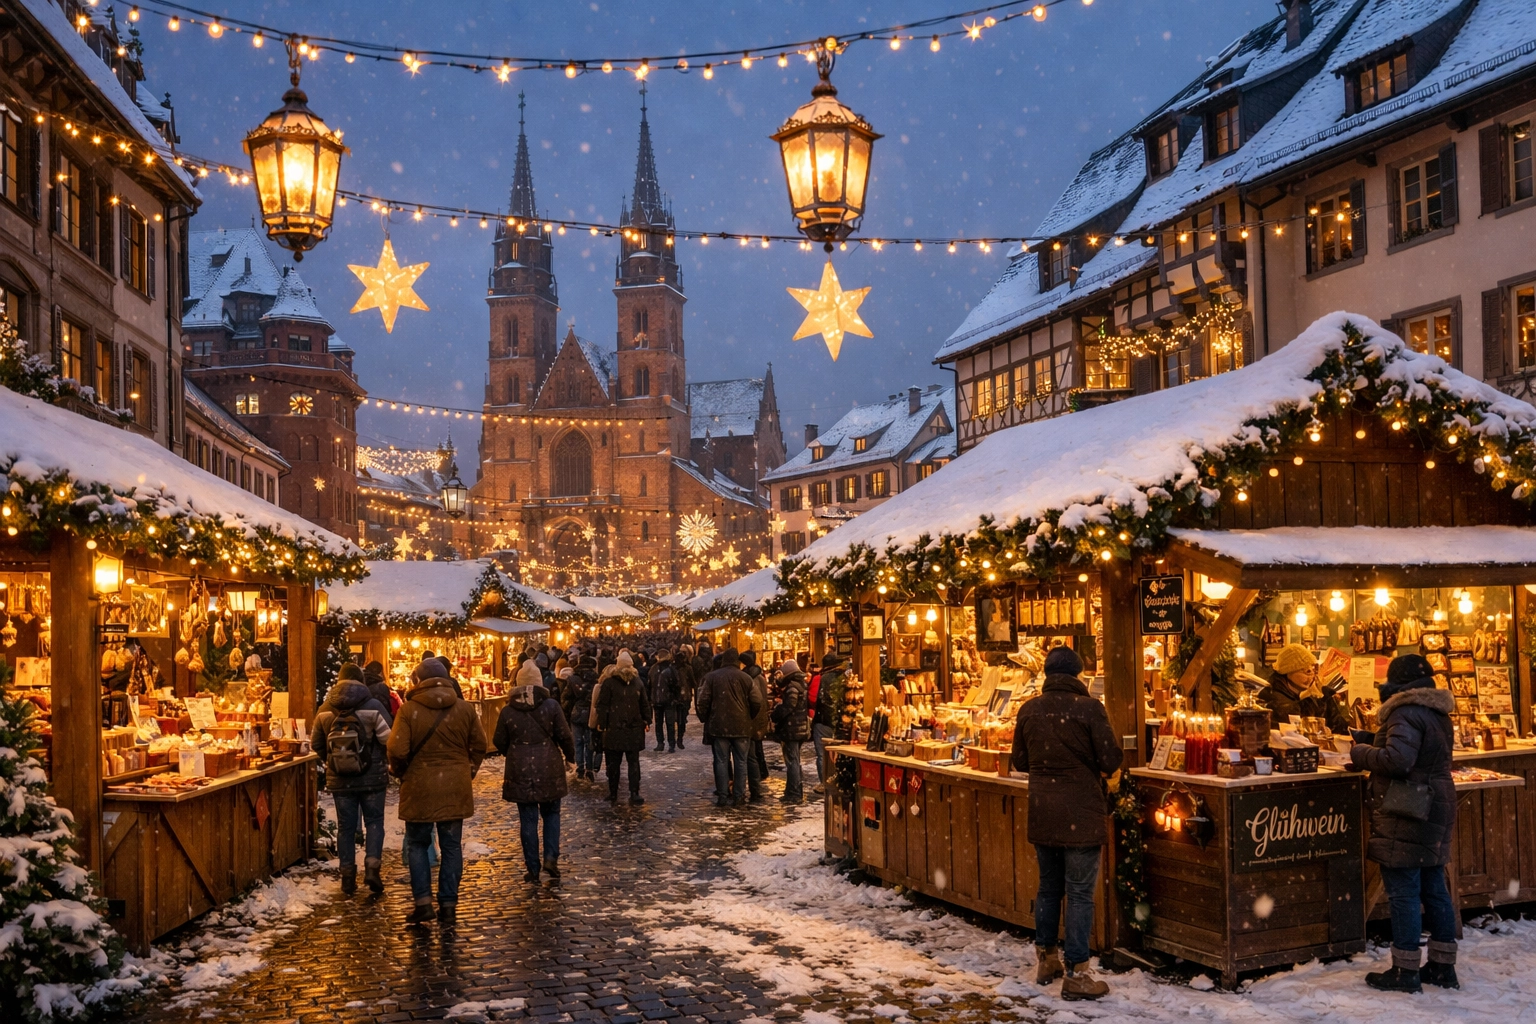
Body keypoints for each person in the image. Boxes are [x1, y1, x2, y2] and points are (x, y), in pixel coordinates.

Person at [1010, 646, 1122, 1001]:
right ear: (1078, 674)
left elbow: (1020, 761)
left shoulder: (1029, 709)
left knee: (1048, 888)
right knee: (1079, 894)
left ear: (1047, 674)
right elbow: (1110, 758)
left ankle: (1046, 958)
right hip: (1081, 813)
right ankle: (1077, 972)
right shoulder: (1090, 708)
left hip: (1044, 810)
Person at [1350, 653, 1458, 992]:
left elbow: (1398, 760)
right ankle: (1442, 966)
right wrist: (1375, 742)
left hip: (1408, 809)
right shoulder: (1437, 712)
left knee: (1404, 891)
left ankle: (1406, 970)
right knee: (1433, 887)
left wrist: (1359, 753)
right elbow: (1417, 752)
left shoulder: (1404, 712)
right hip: (1435, 804)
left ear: (1397, 685)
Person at [386, 657, 487, 925]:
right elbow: (480, 744)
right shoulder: (464, 709)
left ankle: (423, 903)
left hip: (419, 786)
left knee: (419, 844)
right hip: (454, 786)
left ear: (418, 680)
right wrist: (469, 770)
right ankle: (449, 904)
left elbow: (397, 749)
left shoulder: (409, 711)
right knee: (452, 846)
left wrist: (399, 770)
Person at [493, 660, 576, 884]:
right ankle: (550, 857)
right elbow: (565, 736)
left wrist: (514, 750)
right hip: (549, 766)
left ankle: (532, 866)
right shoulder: (551, 706)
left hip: (520, 769)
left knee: (527, 820)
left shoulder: (509, 710)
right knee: (551, 815)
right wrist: (570, 758)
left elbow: (498, 741)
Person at [313, 664, 392, 895]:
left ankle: (347, 876)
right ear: (361, 682)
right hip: (373, 778)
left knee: (345, 828)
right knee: (374, 822)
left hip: (340, 779)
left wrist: (334, 761)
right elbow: (388, 738)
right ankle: (372, 868)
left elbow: (316, 742)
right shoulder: (374, 706)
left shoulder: (325, 709)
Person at [697, 648, 762, 806]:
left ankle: (723, 795)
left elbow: (702, 701)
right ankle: (739, 796)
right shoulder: (746, 678)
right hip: (741, 726)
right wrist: (748, 716)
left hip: (719, 726)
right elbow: (757, 700)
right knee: (741, 762)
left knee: (721, 761)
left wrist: (705, 718)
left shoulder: (712, 677)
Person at [596, 651, 651, 804]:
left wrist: (603, 724)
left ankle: (613, 792)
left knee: (614, 764)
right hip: (633, 728)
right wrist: (647, 720)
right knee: (633, 762)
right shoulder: (637, 682)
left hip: (614, 729)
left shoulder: (609, 683)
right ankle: (634, 792)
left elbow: (602, 706)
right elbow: (644, 704)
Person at [1258, 643, 1350, 735]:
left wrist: (1324, 698)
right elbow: (1300, 731)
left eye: (1313, 670)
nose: (1311, 677)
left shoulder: (1292, 693)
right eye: (1307, 671)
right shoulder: (1277, 698)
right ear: (1288, 671)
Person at [770, 658, 811, 803]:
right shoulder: (801, 685)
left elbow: (789, 707)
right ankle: (793, 790)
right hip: (799, 728)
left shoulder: (793, 688)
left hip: (793, 728)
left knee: (792, 761)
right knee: (794, 760)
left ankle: (794, 793)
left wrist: (775, 714)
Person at [810, 652, 849, 795]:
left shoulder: (823, 678)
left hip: (824, 721)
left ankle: (824, 782)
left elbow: (817, 699)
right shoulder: (845, 678)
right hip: (842, 722)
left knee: (822, 754)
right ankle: (840, 779)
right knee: (839, 753)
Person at [742, 651, 772, 781]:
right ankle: (761, 770)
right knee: (757, 744)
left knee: (754, 746)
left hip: (752, 713)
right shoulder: (759, 676)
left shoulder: (749, 677)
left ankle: (758, 772)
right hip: (760, 713)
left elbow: (756, 699)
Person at [650, 649, 682, 752]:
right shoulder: (670, 669)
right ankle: (669, 744)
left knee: (661, 723)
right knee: (668, 723)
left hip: (660, 699)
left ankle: (662, 743)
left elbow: (650, 684)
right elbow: (677, 684)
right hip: (667, 700)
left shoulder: (655, 669)